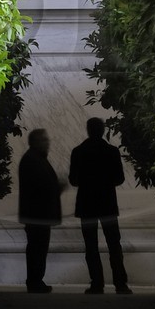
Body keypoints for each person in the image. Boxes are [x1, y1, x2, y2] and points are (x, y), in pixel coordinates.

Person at [69, 118, 131, 294]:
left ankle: (97, 282)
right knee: (114, 244)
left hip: (87, 204)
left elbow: (73, 180)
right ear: (103, 131)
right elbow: (119, 178)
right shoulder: (111, 152)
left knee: (91, 245)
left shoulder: (78, 152)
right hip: (107, 204)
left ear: (88, 130)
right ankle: (120, 283)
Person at [17, 127, 65, 293]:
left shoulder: (35, 158)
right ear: (36, 142)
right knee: (37, 249)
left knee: (38, 249)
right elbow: (40, 187)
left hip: (37, 214)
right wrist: (57, 187)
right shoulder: (33, 160)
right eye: (44, 140)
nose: (48, 143)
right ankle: (35, 281)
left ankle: (36, 280)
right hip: (37, 215)